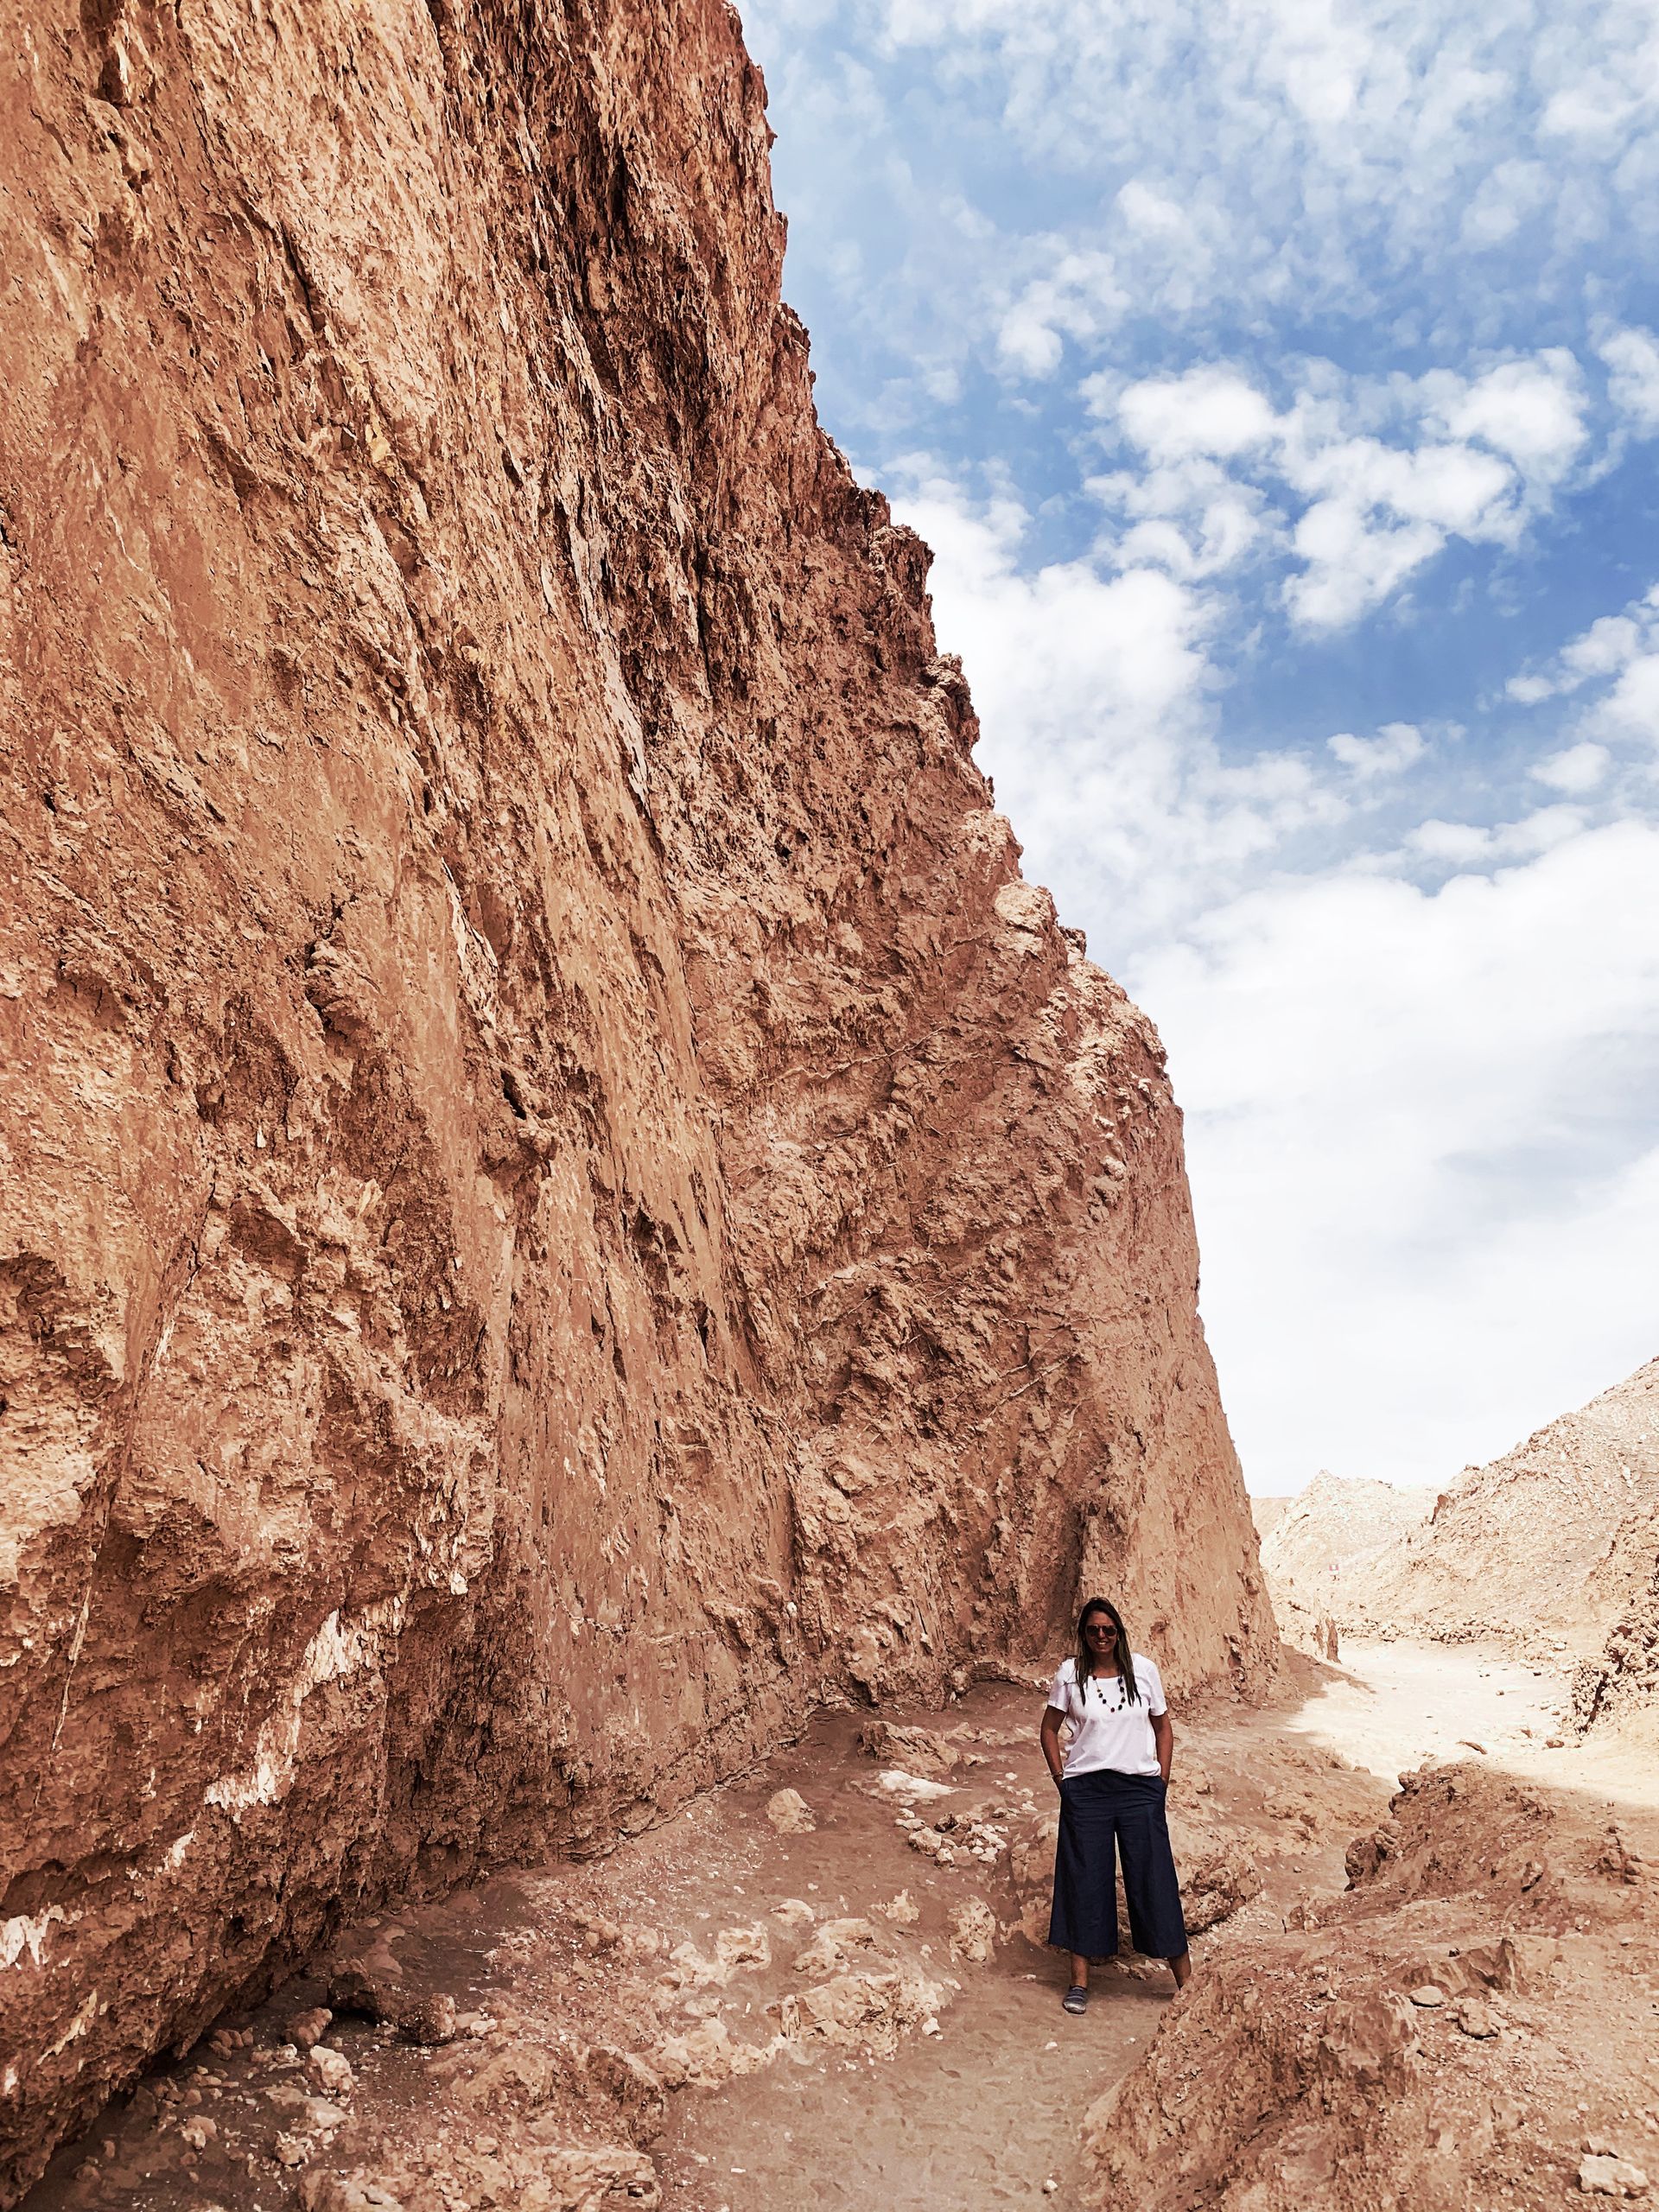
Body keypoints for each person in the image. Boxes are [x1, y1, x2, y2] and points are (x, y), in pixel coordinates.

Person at [1040, 1595, 1192, 2015]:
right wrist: (1061, 1780)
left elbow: (1163, 1727)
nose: (1101, 1637)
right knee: (1084, 1880)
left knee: (1154, 1876)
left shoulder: (1143, 1672)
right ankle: (1079, 1982)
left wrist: (1161, 1779)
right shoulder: (1070, 1675)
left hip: (1138, 1790)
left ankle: (1187, 1982)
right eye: (1093, 1630)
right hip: (1086, 1790)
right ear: (1083, 1635)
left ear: (1119, 1632)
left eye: (1109, 1630)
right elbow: (1049, 1730)